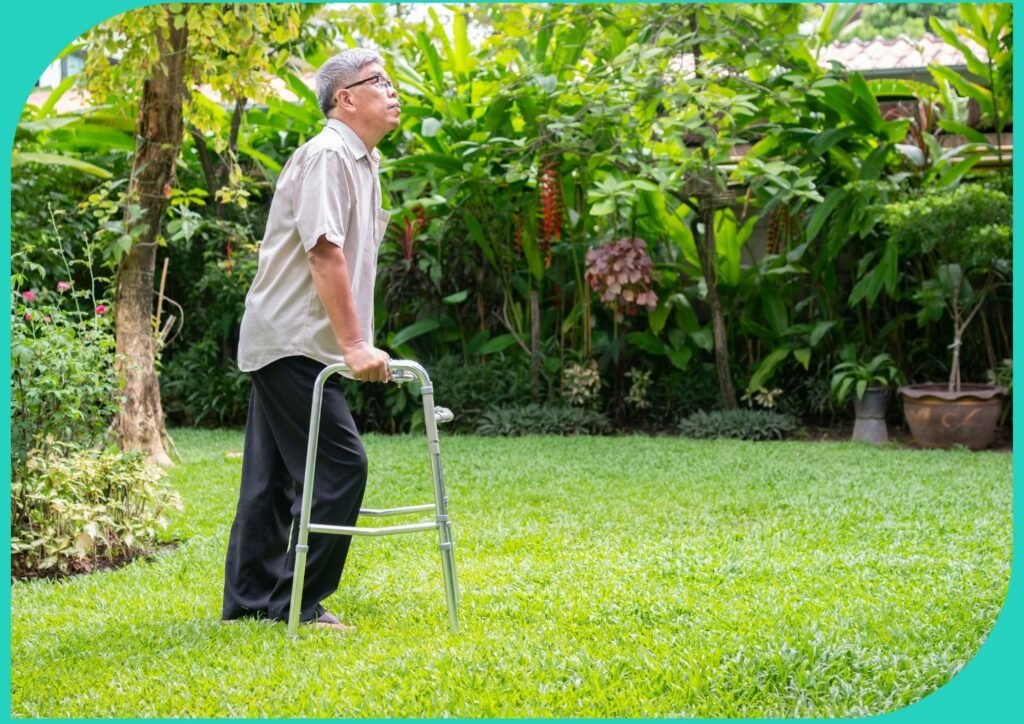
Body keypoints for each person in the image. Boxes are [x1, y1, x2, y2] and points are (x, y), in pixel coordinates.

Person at [221, 48, 402, 632]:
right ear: (344, 98)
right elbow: (324, 252)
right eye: (379, 81)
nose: (392, 90)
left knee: (271, 477)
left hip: (290, 338)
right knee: (341, 466)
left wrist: (352, 341)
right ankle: (297, 602)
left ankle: (253, 599)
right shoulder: (329, 155)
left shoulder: (363, 161)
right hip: (293, 339)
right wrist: (354, 347)